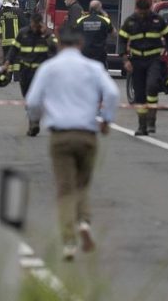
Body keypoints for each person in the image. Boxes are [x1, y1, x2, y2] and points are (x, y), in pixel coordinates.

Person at [25, 28, 118, 261]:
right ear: (80, 43)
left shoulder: (49, 68)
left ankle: (69, 242)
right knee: (82, 184)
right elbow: (113, 93)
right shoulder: (93, 68)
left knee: (65, 188)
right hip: (87, 134)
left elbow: (32, 101)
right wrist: (106, 120)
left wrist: (37, 119)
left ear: (58, 45)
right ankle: (84, 223)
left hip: (60, 135)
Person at [118, 0, 168, 135]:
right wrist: (125, 60)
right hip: (137, 60)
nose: (142, 14)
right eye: (140, 12)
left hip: (153, 59)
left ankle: (151, 121)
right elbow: (122, 40)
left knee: (152, 86)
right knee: (139, 94)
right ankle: (141, 126)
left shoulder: (158, 20)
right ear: (136, 9)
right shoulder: (130, 21)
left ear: (148, 9)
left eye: (145, 12)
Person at [5, 12, 58, 136]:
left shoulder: (47, 34)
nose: (35, 28)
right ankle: (32, 119)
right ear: (31, 23)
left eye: (37, 25)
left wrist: (46, 36)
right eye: (33, 25)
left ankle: (34, 122)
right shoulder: (23, 33)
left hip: (40, 72)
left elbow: (55, 49)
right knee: (28, 97)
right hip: (25, 70)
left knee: (37, 97)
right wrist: (8, 62)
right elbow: (14, 49)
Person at [77, 0, 114, 68]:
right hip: (99, 56)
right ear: (99, 9)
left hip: (84, 54)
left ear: (89, 8)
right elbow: (114, 34)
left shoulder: (80, 21)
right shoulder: (105, 20)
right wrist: (106, 17)